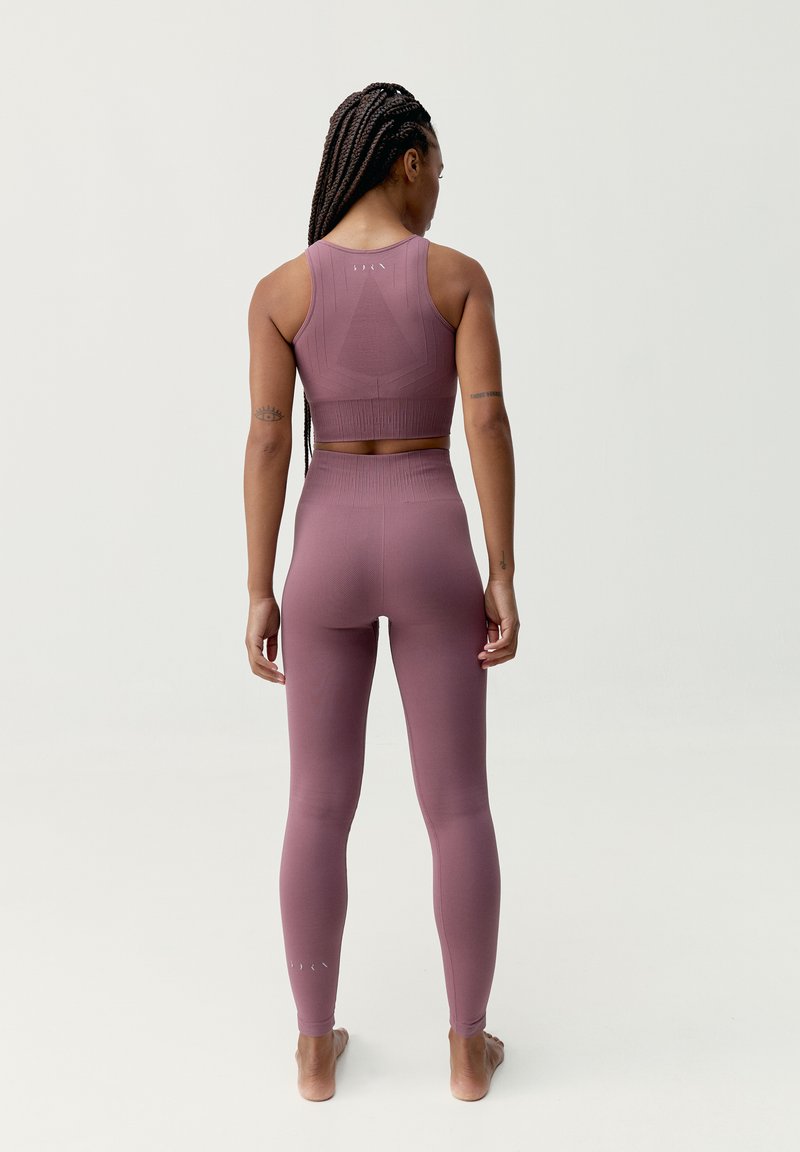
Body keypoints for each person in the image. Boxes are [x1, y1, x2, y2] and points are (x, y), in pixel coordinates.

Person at [243, 82, 519, 1102]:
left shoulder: (280, 291)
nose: (441, 183)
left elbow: (269, 441)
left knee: (316, 804)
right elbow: (485, 422)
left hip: (324, 543)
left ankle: (315, 1051)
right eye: (437, 164)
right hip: (429, 530)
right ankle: (466, 1051)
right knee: (457, 802)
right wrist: (502, 567)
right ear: (406, 160)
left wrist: (258, 585)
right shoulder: (457, 279)